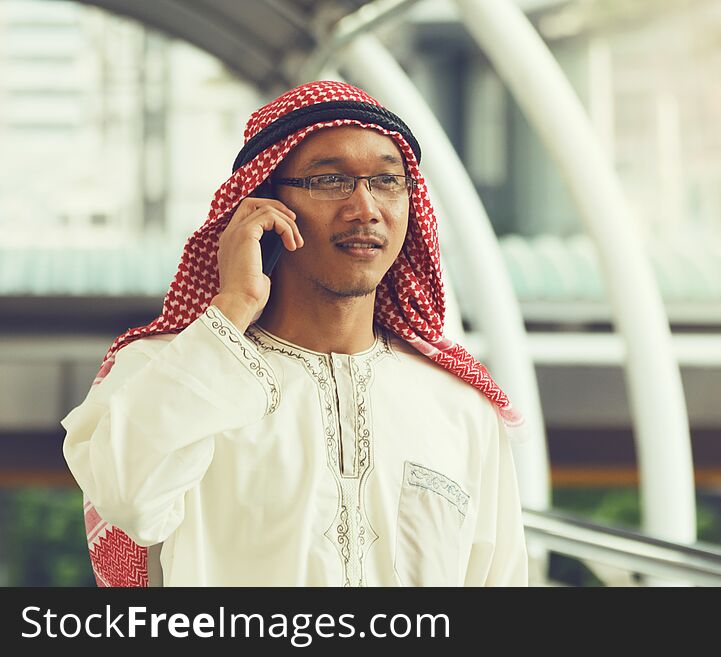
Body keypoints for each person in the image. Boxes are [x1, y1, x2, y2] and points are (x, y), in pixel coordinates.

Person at [61, 80, 528, 587]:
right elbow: (129, 497)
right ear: (262, 206)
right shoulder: (166, 371)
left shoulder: (460, 406)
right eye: (330, 180)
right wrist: (234, 306)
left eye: (388, 181)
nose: (366, 207)